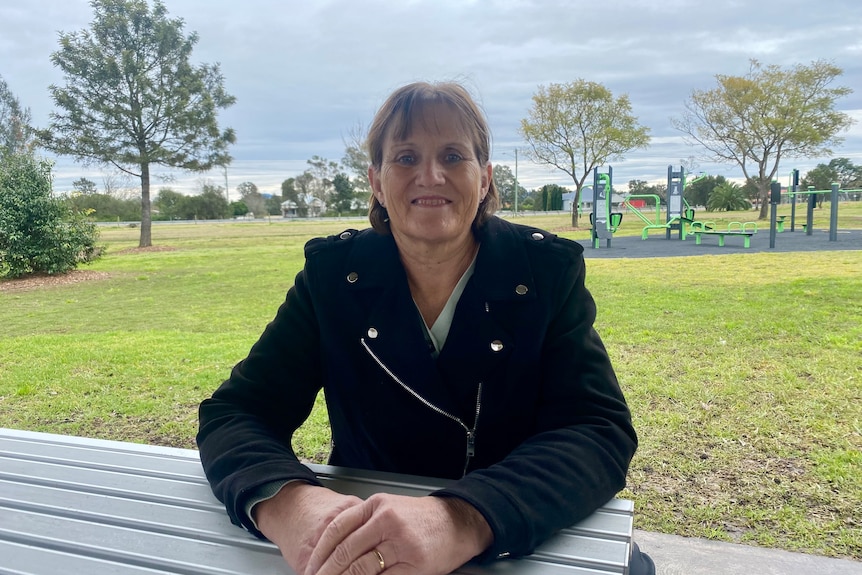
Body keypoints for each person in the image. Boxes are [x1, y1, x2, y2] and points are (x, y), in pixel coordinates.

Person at [197, 81, 655, 575]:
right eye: (406, 158)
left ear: (484, 179)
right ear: (376, 181)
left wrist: (463, 518)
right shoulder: (332, 276)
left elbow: (596, 429)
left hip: (512, 535)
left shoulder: (544, 272)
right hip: (364, 548)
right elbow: (237, 413)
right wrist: (290, 505)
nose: (431, 175)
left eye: (454, 156)